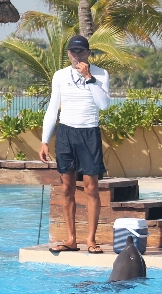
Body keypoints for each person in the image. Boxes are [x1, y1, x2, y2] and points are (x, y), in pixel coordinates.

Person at [40, 34, 111, 254]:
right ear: (68, 54)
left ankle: (91, 239)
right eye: (73, 52)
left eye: (81, 52)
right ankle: (71, 239)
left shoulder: (100, 74)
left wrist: (89, 77)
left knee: (91, 187)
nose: (76, 56)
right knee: (67, 187)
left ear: (88, 53)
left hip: (89, 132)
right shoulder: (60, 76)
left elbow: (104, 105)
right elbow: (53, 108)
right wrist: (45, 140)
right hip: (66, 133)